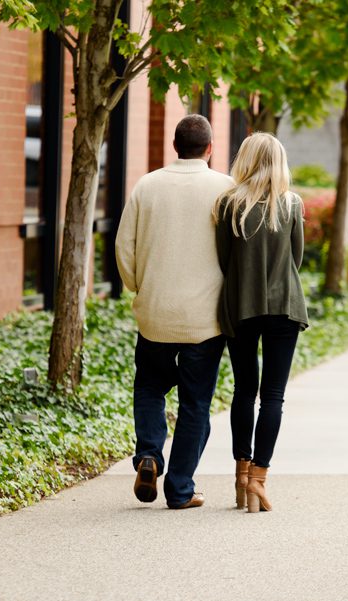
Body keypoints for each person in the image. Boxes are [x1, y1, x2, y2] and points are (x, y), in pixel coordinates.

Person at [115, 114, 234, 509]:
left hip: (156, 312)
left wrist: (139, 287)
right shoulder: (226, 190)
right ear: (210, 148)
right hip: (205, 318)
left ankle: (149, 455)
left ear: (174, 146)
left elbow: (124, 247)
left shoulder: (147, 186)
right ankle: (180, 489)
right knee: (195, 404)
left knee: (150, 387)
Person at [212, 132, 309, 513]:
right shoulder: (292, 204)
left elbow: (223, 259)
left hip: (241, 305)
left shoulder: (228, 205)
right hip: (284, 306)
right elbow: (295, 259)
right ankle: (258, 479)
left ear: (246, 160)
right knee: (273, 397)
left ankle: (241, 474)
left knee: (243, 391)